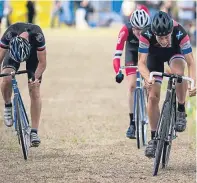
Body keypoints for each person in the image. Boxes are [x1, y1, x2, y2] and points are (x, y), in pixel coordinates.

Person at [138, 11, 196, 158]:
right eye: (160, 37)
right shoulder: (146, 34)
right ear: (154, 33)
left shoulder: (180, 32)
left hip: (174, 53)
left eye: (166, 37)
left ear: (171, 31)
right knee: (152, 97)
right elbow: (141, 63)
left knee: (178, 74)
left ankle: (180, 109)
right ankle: (154, 138)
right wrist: (147, 78)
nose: (163, 40)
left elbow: (191, 62)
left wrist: (193, 82)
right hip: (154, 57)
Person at [0, 22, 47, 147]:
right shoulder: (9, 34)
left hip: (32, 56)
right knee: (6, 78)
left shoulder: (38, 36)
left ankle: (34, 132)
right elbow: (0, 57)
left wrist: (35, 78)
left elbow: (42, 63)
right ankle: (8, 105)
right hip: (13, 54)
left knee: (35, 89)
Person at [113, 9, 150, 139]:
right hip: (132, 55)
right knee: (132, 85)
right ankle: (132, 123)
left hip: (146, 56)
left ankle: (150, 111)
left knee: (149, 84)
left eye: (143, 30)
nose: (140, 34)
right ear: (131, 26)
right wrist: (118, 72)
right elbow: (117, 55)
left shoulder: (152, 31)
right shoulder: (125, 30)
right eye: (136, 30)